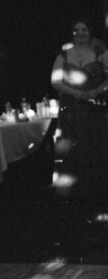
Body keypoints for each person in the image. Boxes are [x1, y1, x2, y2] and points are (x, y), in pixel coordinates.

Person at [51, 17, 108, 201]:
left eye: (84, 29)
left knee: (95, 144)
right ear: (73, 33)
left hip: (94, 107)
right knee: (72, 145)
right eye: (77, 30)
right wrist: (77, 94)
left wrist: (97, 91)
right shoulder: (64, 54)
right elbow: (55, 81)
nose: (81, 33)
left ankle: (96, 189)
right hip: (72, 109)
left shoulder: (99, 52)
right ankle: (74, 190)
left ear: (89, 32)